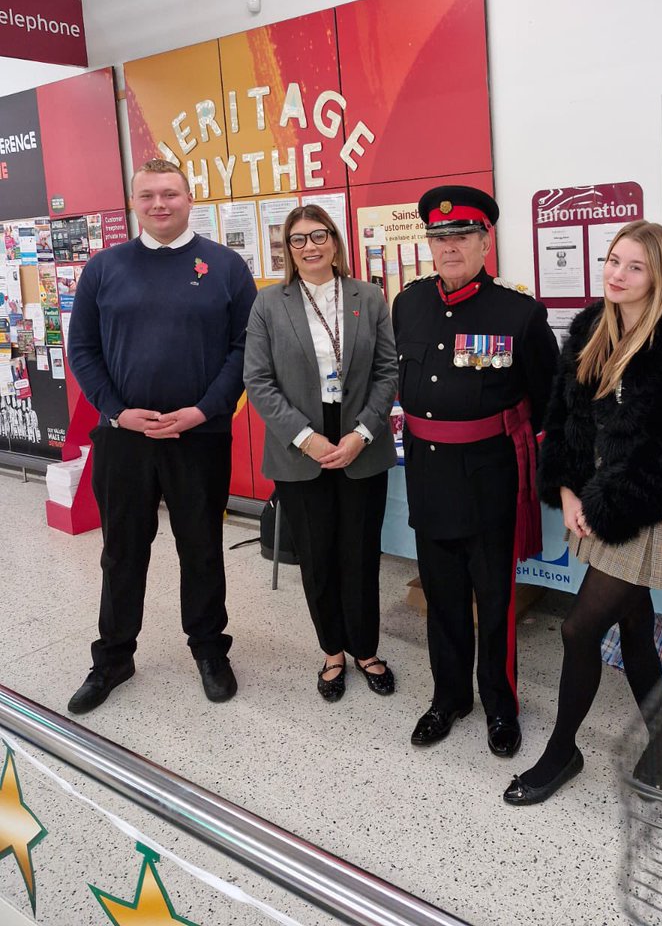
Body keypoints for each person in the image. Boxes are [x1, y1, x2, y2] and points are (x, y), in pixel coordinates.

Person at [503, 220, 662, 805]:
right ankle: (659, 743)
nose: (617, 274)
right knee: (634, 626)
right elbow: (564, 421)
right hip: (598, 497)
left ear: (658, 276)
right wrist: (571, 492)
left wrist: (610, 505)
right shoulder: (588, 329)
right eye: (613, 260)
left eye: (634, 266)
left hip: (644, 507)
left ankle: (562, 751)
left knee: (580, 630)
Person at [66, 159, 258, 714]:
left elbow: (245, 349)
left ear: (189, 197)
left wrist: (204, 410)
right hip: (124, 438)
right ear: (134, 202)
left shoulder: (224, 266)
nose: (159, 204)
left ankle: (208, 649)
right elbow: (83, 350)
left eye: (169, 193)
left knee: (201, 548)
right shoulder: (105, 268)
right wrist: (117, 411)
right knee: (122, 551)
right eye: (147, 195)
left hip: (199, 437)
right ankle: (113, 658)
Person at [392, 185, 559, 757]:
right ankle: (449, 698)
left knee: (494, 601)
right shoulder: (408, 304)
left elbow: (548, 401)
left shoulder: (520, 314)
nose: (449, 247)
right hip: (429, 478)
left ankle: (499, 705)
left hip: (490, 480)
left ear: (486, 240)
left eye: (461, 235)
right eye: (439, 238)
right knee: (441, 599)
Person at [243, 205, 398, 702]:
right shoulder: (269, 304)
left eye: (318, 235)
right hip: (299, 447)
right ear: (287, 250)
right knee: (317, 555)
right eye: (297, 240)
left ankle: (365, 648)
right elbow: (258, 382)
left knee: (360, 554)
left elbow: (387, 372)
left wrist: (363, 434)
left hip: (360, 444)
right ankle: (332, 651)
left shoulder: (367, 297)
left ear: (334, 240)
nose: (309, 247)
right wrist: (306, 438)